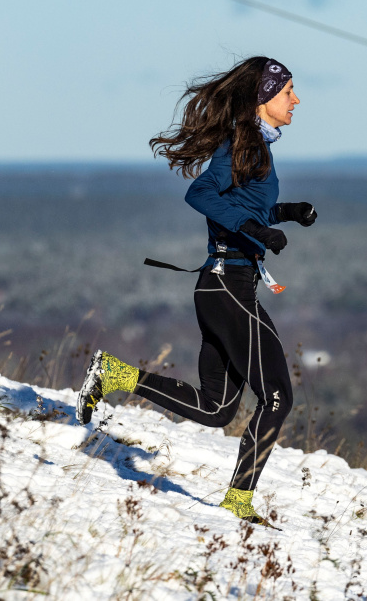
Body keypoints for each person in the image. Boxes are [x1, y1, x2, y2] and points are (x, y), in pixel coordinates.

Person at [76, 57, 317, 525]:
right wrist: (253, 227)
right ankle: (238, 502)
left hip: (224, 286)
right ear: (263, 97)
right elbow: (202, 195)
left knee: (216, 408)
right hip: (227, 286)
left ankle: (113, 374)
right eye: (288, 91)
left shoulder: (256, 148)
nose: (296, 100)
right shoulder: (241, 143)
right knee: (276, 398)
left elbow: (244, 204)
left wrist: (287, 212)